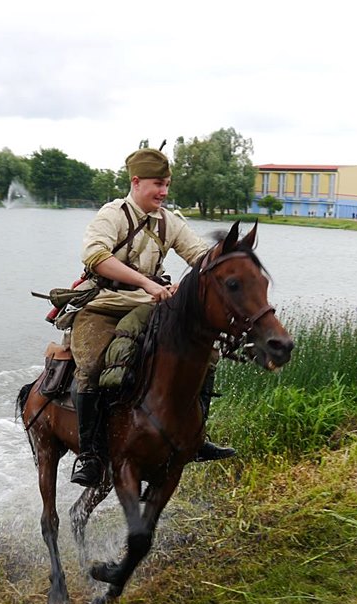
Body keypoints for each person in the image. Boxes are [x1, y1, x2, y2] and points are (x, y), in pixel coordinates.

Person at [69, 147, 235, 487]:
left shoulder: (169, 221)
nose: (164, 192)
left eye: (168, 184)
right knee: (91, 365)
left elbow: (200, 257)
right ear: (136, 181)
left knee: (206, 354)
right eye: (158, 184)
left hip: (150, 305)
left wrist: (230, 256)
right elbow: (96, 256)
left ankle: (196, 437)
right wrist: (147, 282)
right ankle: (90, 454)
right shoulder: (111, 215)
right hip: (104, 303)